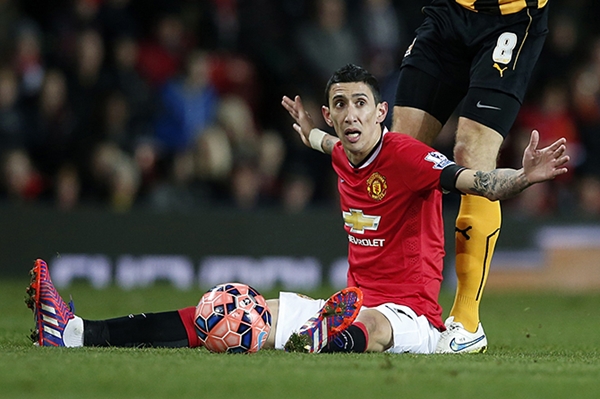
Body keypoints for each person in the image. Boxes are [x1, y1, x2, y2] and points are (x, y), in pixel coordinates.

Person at [26, 64, 568, 354]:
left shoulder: (406, 155)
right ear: (332, 116)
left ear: (382, 112)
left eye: (361, 104)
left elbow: (470, 179)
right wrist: (309, 132)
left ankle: (330, 342)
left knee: (374, 326)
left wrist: (521, 177)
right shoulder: (340, 150)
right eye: (340, 106)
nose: (350, 116)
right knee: (233, 315)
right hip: (347, 302)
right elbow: (324, 144)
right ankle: (76, 333)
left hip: (410, 317)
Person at [391, 0, 550, 353]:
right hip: (449, 13)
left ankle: (467, 321)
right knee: (401, 152)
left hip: (510, 20)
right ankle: (399, 303)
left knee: (471, 153)